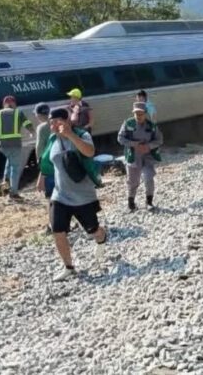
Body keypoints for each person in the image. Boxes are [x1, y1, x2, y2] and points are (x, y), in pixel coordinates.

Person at [37, 107, 110, 281]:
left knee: (93, 230)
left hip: (83, 196)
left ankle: (101, 238)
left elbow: (89, 152)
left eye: (56, 122)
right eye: (51, 123)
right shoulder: (53, 139)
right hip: (60, 195)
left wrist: (70, 135)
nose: (53, 126)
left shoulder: (81, 135)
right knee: (57, 230)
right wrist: (41, 177)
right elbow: (48, 161)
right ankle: (68, 267)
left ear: (67, 120)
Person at [117, 102, 163, 212]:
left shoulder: (151, 126)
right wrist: (134, 144)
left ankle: (149, 202)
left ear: (145, 113)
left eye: (141, 113)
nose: (138, 116)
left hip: (147, 156)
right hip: (133, 156)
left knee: (149, 178)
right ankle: (131, 204)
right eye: (136, 113)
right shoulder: (128, 123)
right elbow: (120, 138)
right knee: (132, 181)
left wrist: (149, 146)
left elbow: (159, 140)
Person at [0, 95, 35, 200]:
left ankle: (5, 185)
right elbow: (27, 123)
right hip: (15, 144)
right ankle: (13, 192)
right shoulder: (18, 113)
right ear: (14, 104)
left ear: (4, 104)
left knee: (9, 164)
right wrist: (32, 131)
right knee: (15, 168)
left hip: (3, 146)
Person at [33, 102, 54, 199]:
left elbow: (39, 146)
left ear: (39, 115)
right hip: (59, 157)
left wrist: (39, 161)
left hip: (48, 160)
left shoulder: (41, 128)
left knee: (49, 190)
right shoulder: (56, 123)